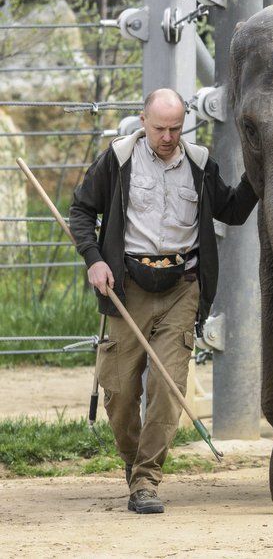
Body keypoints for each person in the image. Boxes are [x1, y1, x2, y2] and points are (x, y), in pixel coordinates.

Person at [70, 88, 258, 514]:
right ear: (143, 121)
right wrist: (94, 260)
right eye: (160, 128)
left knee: (166, 386)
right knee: (117, 391)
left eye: (176, 128)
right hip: (126, 287)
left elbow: (232, 209)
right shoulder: (116, 160)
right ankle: (135, 461)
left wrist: (258, 172)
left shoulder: (198, 163)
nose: (168, 137)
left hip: (182, 287)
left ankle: (145, 481)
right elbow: (81, 210)